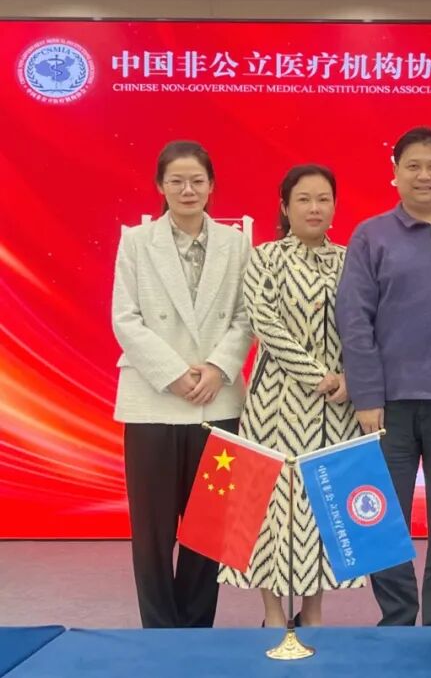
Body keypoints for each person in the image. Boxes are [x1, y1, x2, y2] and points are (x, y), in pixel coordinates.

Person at [337, 127, 431, 626]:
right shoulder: (371, 235)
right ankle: (397, 615)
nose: (424, 175)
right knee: (382, 516)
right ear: (396, 173)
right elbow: (354, 319)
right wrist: (367, 394)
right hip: (388, 405)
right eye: (413, 166)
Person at [111, 140, 252, 628]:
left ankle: (196, 629)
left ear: (211, 186)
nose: (187, 190)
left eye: (197, 180)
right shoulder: (136, 241)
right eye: (177, 181)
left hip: (218, 401)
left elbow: (246, 315)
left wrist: (217, 367)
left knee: (208, 528)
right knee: (152, 532)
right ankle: (158, 631)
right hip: (153, 403)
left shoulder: (237, 244)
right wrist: (172, 374)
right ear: (160, 186)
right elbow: (125, 318)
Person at [219, 164, 364, 626]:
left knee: (323, 509)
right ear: (285, 206)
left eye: (323, 199)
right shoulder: (264, 257)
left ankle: (314, 611)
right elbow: (265, 324)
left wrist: (351, 378)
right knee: (270, 509)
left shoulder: (351, 260)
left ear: (335, 206)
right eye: (303, 199)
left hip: (337, 407)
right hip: (274, 405)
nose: (314, 208)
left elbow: (366, 324)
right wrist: (319, 376)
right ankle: (273, 613)